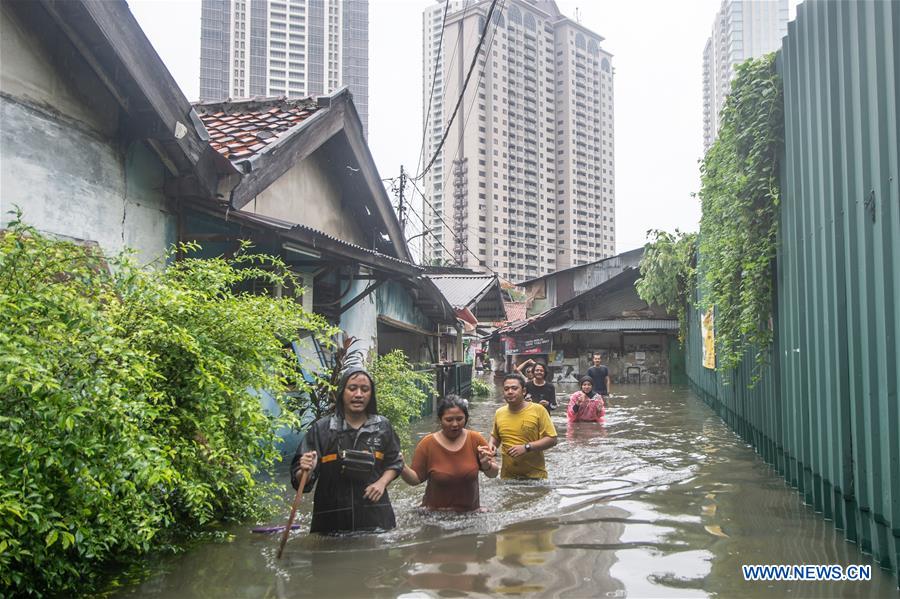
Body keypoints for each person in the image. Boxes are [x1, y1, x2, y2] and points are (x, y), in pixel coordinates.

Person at [291, 367, 403, 534]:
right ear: (342, 393)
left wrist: (382, 483)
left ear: (371, 395)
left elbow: (395, 462)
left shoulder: (382, 426)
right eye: (352, 388)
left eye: (365, 389)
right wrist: (306, 469)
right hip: (331, 522)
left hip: (376, 519)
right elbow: (300, 481)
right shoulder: (322, 429)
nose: (358, 394)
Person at [400, 395, 499, 511]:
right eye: (449, 420)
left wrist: (486, 465)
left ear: (466, 418)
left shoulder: (475, 439)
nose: (455, 424)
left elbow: (493, 474)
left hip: (470, 515)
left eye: (459, 419)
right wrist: (401, 466)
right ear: (440, 419)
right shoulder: (427, 444)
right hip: (435, 516)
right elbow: (415, 480)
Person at [489, 373, 558, 479]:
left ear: (524, 391)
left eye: (514, 388)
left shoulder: (538, 410)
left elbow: (552, 439)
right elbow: (495, 437)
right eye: (506, 389)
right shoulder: (499, 412)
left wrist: (526, 447)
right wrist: (491, 445)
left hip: (535, 478)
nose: (510, 392)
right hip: (507, 478)